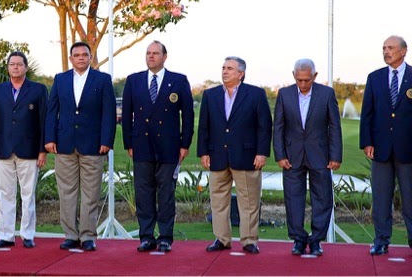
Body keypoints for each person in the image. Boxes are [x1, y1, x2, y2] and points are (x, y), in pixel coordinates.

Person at [122, 41, 194, 253]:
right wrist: (129, 142)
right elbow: (127, 115)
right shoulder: (133, 81)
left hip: (169, 146)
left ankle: (164, 237)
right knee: (143, 192)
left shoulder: (178, 81)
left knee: (166, 193)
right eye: (148, 53)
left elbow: (187, 115)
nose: (151, 56)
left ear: (165, 56)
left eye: (155, 53)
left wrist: (185, 144)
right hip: (141, 145)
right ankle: (146, 236)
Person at [44, 42, 116, 252]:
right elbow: (52, 111)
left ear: (91, 57)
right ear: (71, 58)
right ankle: (70, 235)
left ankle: (87, 236)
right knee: (66, 192)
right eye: (77, 55)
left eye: (85, 55)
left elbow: (109, 113)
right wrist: (49, 138)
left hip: (93, 145)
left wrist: (106, 141)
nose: (81, 58)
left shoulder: (102, 80)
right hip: (64, 144)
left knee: (91, 193)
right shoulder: (60, 79)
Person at [198, 56, 272, 254]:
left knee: (249, 202)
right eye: (223, 67)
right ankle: (221, 239)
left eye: (230, 68)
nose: (224, 71)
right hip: (217, 156)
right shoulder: (210, 95)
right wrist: (203, 152)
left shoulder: (255, 94)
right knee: (218, 201)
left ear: (241, 73)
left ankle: (249, 240)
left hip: (247, 156)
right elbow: (204, 126)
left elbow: (264, 127)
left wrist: (262, 153)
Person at [273, 59, 342, 256]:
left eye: (307, 80)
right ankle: (298, 239)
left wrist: (335, 155)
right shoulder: (284, 94)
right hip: (291, 156)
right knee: (293, 198)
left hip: (320, 154)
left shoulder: (326, 94)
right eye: (299, 80)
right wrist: (280, 155)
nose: (303, 84)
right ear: (293, 75)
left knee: (322, 198)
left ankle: (316, 240)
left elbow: (334, 126)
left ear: (315, 76)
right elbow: (278, 127)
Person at [0, 51, 48, 249]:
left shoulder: (38, 90)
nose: (15, 67)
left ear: (26, 67)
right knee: (4, 193)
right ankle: (6, 235)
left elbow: (43, 122)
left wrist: (42, 151)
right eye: (12, 64)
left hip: (29, 150)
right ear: (8, 67)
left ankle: (27, 234)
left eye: (19, 64)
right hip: (4, 149)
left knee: (28, 194)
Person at [360, 35, 412, 255]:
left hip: (408, 150)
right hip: (380, 149)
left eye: (390, 48)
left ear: (403, 51)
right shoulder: (375, 78)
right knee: (381, 198)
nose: (386, 51)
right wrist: (366, 142)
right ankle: (381, 240)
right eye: (384, 48)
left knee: (410, 198)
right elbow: (367, 114)